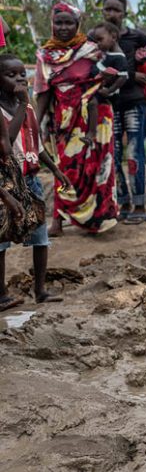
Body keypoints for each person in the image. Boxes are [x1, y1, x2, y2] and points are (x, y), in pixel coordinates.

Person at [33, 3, 118, 236]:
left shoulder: (92, 51)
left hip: (95, 119)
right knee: (64, 168)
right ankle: (58, 222)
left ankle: (98, 219)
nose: (63, 27)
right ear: (52, 24)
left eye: (68, 22)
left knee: (96, 168)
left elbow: (110, 76)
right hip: (62, 121)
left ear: (77, 24)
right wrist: (33, 125)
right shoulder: (44, 56)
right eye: (58, 22)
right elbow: (43, 94)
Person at [0, 53, 73, 310]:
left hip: (30, 180)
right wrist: (21, 105)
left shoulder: (28, 107)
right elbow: (5, 144)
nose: (20, 78)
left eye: (22, 73)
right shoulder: (11, 108)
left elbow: (37, 145)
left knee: (41, 237)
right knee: (2, 239)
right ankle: (1, 295)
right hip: (7, 182)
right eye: (11, 75)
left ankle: (40, 290)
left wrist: (55, 169)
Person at [101, 0, 146, 224]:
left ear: (124, 13)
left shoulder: (137, 37)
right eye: (107, 9)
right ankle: (123, 203)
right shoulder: (97, 38)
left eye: (116, 10)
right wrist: (132, 75)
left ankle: (139, 204)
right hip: (110, 105)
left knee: (135, 153)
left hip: (133, 102)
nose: (112, 14)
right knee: (114, 155)